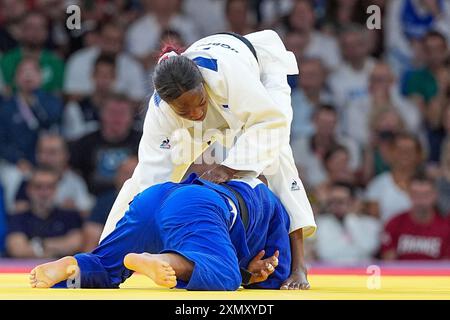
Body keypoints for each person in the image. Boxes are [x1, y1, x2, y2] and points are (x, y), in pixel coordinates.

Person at [100, 30, 317, 289]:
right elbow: (149, 178)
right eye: (185, 110)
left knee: (278, 156)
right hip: (209, 103)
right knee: (144, 191)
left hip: (259, 73)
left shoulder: (228, 75)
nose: (196, 113)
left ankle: (299, 266)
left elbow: (271, 122)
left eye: (199, 103)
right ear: (169, 105)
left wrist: (228, 167)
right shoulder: (161, 110)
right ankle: (105, 259)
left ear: (203, 85)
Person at [30, 174, 290, 290]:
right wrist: (249, 275)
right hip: (195, 207)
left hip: (154, 196)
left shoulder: (231, 185)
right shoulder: (273, 205)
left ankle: (72, 264)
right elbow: (276, 276)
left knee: (107, 265)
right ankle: (161, 259)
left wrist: (248, 271)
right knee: (226, 274)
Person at [69, 93, 140, 196]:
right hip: (92, 200)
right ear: (101, 114)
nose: (117, 118)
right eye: (112, 113)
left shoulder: (143, 142)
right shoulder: (84, 143)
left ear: (131, 116)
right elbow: (73, 174)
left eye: (123, 113)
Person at [6, 167, 83, 258]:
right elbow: (17, 249)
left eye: (49, 187)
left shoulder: (69, 216)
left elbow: (76, 244)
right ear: (29, 190)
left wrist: (39, 245)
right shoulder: (18, 217)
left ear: (56, 189)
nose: (44, 193)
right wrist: (57, 248)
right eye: (38, 187)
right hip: (26, 270)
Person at [0, 57, 63, 167]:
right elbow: (2, 141)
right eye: (23, 71)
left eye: (33, 71)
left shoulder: (52, 101)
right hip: (17, 163)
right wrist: (17, 160)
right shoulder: (5, 107)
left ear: (41, 76)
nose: (28, 75)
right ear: (15, 78)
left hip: (49, 159)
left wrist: (35, 105)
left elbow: (52, 123)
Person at [14, 133, 93, 216]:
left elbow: (86, 212)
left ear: (66, 155)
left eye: (52, 152)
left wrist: (74, 209)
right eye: (42, 152)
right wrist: (60, 207)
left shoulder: (75, 181)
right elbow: (18, 211)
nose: (46, 157)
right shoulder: (28, 178)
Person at [381, 172, 450, 260]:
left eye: (426, 195)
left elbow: (446, 267)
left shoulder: (447, 226)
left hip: (435, 274)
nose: (420, 200)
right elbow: (389, 265)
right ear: (409, 194)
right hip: (402, 273)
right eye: (416, 194)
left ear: (434, 195)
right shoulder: (394, 224)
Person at [314, 182, 381, 263]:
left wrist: (350, 218)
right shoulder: (322, 223)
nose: (335, 205)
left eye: (340, 201)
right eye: (331, 201)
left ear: (354, 202)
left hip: (363, 273)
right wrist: (353, 247)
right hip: (333, 273)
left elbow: (368, 248)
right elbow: (325, 253)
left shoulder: (370, 223)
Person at [0, 11, 64, 93]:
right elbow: (6, 93)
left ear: (47, 32)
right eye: (30, 27)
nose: (35, 31)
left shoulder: (56, 62)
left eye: (41, 27)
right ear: (20, 31)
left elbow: (58, 94)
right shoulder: (6, 61)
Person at [83, 156, 138, 252]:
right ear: (117, 175)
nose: (128, 178)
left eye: (133, 174)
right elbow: (92, 233)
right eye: (125, 173)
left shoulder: (152, 201)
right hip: (109, 251)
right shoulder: (105, 201)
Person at [365, 133, 424, 222]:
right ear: (391, 153)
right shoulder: (378, 184)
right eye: (400, 150)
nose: (405, 154)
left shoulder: (429, 185)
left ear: (418, 155)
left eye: (410, 150)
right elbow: (372, 222)